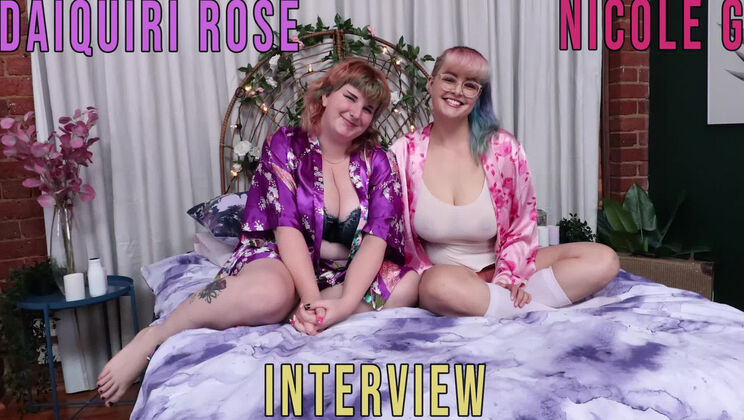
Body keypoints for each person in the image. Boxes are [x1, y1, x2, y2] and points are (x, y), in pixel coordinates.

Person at [97, 58, 419, 405]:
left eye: (368, 108)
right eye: (351, 97)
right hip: (280, 257)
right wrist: (312, 297)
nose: (357, 113)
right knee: (270, 294)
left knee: (408, 284)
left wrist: (345, 305)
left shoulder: (378, 161)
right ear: (326, 95)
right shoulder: (286, 144)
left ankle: (307, 312)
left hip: (341, 274)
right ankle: (154, 335)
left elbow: (375, 238)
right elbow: (286, 226)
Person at [389, 46, 619, 319]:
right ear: (431, 83)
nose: (458, 91)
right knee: (437, 287)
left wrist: (509, 275)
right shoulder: (403, 153)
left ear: (478, 95)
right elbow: (393, 236)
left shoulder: (503, 148)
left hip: (504, 263)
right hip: (446, 277)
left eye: (470, 85)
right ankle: (525, 309)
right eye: (449, 79)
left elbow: (522, 224)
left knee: (604, 259)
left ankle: (500, 304)